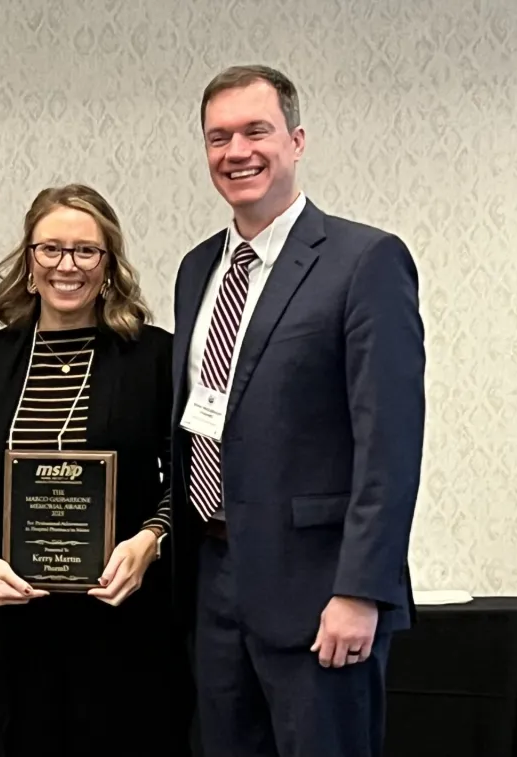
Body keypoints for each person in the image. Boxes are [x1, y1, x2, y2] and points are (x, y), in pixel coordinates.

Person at [170, 65, 426, 757]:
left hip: (320, 592)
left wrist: (361, 590)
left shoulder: (364, 259)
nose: (237, 151)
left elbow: (390, 444)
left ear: (297, 139)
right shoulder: (198, 270)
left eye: (257, 130)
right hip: (214, 580)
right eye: (218, 137)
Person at [0, 184, 193, 757]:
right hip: (8, 628)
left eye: (87, 251)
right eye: (50, 249)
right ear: (28, 261)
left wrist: (150, 542)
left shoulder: (154, 357)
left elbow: (187, 479)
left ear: (108, 265)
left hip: (121, 626)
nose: (67, 265)